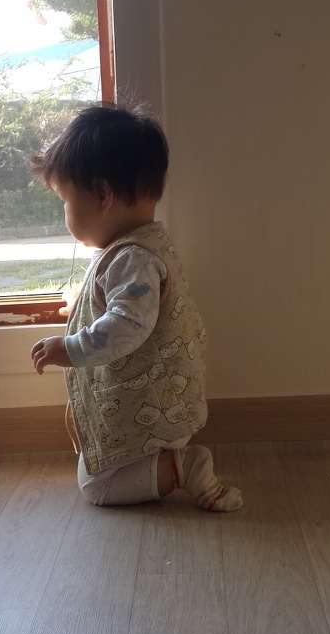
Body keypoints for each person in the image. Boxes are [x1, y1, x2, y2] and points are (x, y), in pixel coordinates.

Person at [28, 104, 243, 512]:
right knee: (93, 461)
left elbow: (128, 323)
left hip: (148, 406)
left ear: (102, 195)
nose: (65, 214)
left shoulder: (133, 258)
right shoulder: (141, 246)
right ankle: (165, 463)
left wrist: (69, 348)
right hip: (153, 400)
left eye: (64, 201)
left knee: (96, 485)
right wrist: (83, 305)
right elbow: (127, 301)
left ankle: (183, 467)